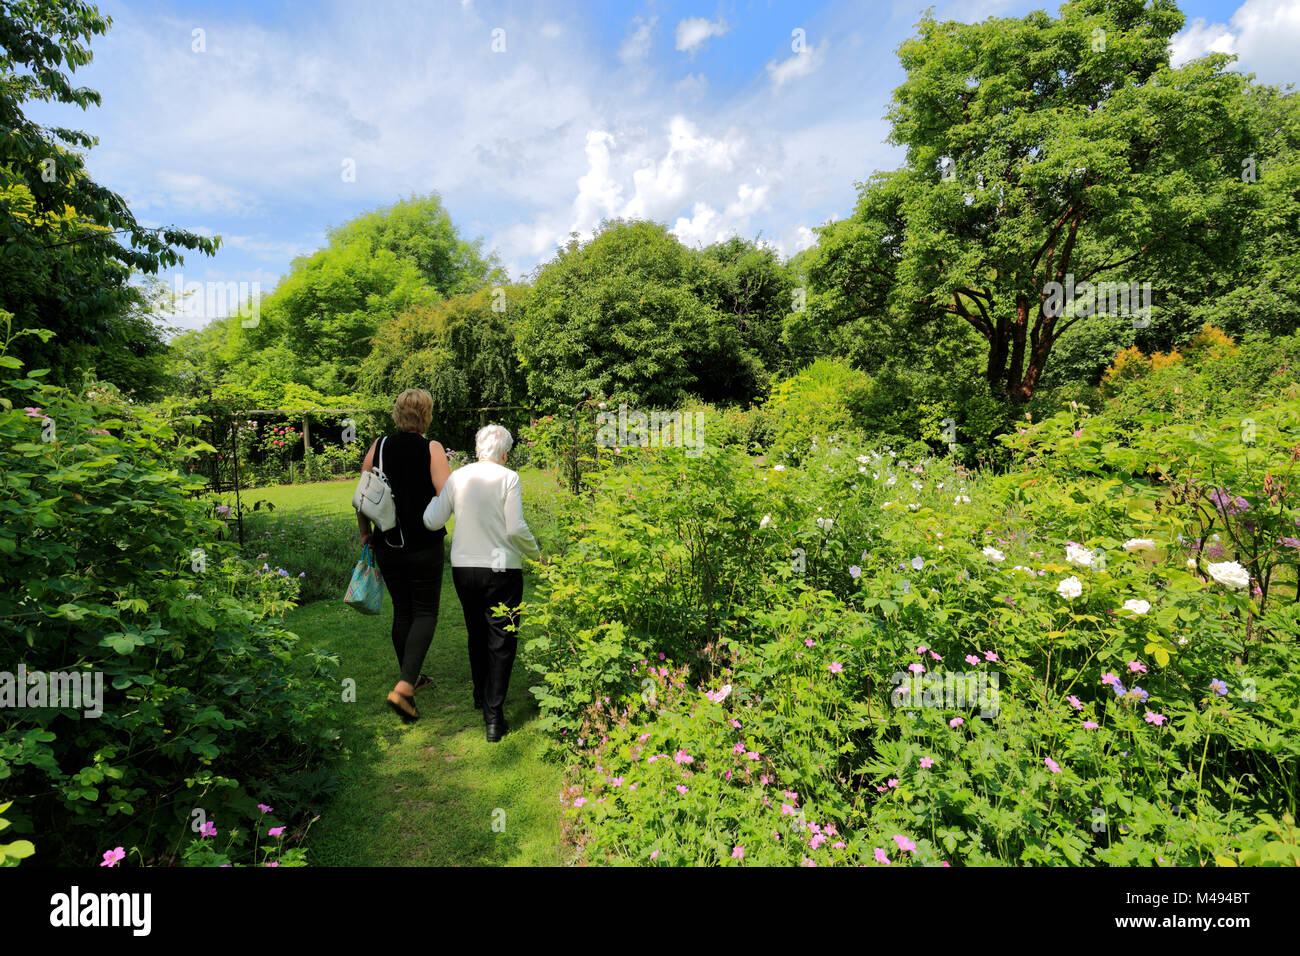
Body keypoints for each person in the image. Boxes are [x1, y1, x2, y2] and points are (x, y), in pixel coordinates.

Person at [422, 424, 540, 742]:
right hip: (501, 569)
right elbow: (514, 528)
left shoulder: (458, 477)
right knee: (502, 638)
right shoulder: (509, 478)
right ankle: (493, 716)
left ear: (477, 450)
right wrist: (537, 554)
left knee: (476, 632)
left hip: (464, 568)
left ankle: (480, 695)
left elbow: (432, 520)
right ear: (505, 454)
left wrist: (435, 498)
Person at [356, 389, 451, 722]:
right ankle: (404, 687)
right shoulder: (432, 448)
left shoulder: (379, 446)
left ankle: (411, 677)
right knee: (425, 612)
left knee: (403, 612)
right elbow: (446, 496)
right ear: (426, 415)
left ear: (397, 414)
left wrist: (365, 533)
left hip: (387, 544)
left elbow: (361, 496)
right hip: (423, 545)